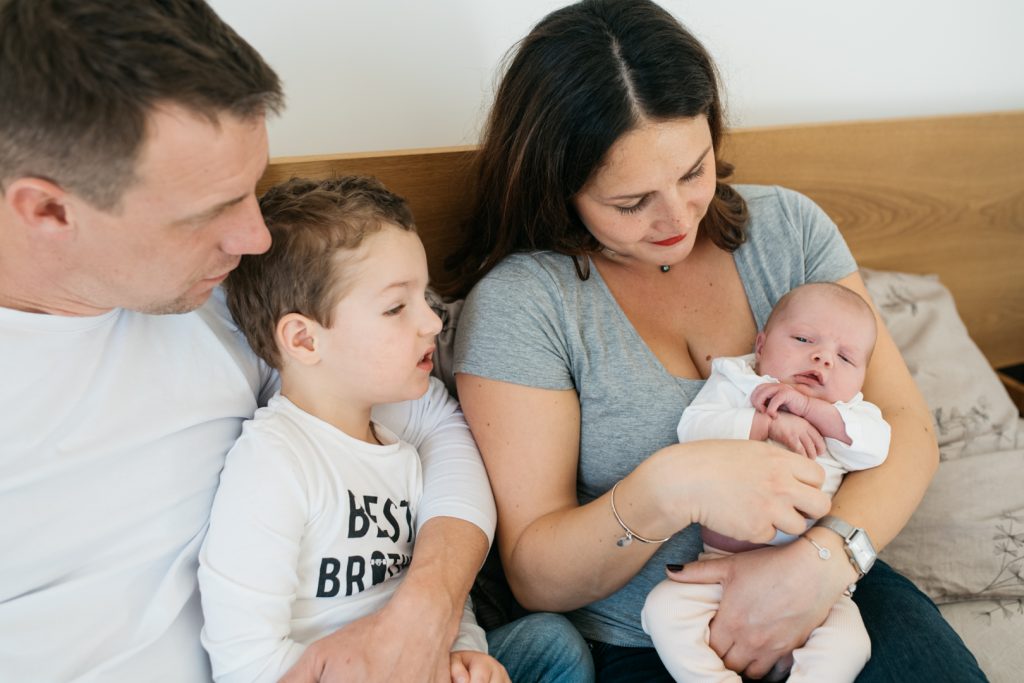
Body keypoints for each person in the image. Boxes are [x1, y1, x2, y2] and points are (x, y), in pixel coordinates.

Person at [445, 0, 988, 681]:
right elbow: (534, 572)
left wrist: (821, 562)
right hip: (653, 640)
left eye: (693, 171)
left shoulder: (790, 230)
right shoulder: (526, 305)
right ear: (562, 186)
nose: (677, 217)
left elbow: (908, 427)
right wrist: (673, 484)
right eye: (630, 201)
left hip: (835, 586)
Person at [0, 2, 496, 681]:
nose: (255, 238)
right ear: (48, 209)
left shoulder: (226, 301)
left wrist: (428, 606)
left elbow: (437, 421)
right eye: (210, 211)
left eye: (252, 191)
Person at [197, 176, 506, 683]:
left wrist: (464, 654)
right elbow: (245, 659)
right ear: (304, 339)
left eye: (425, 298)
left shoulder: (402, 453)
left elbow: (443, 602)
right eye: (395, 308)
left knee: (551, 645)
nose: (433, 323)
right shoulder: (275, 462)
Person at [642, 282, 890, 682]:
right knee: (663, 611)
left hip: (816, 584)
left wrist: (812, 410)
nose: (822, 358)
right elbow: (693, 428)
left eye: (845, 357)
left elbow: (874, 451)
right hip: (721, 567)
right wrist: (765, 421)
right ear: (761, 346)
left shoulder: (850, 413)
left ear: (862, 377)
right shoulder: (737, 381)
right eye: (804, 339)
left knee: (850, 642)